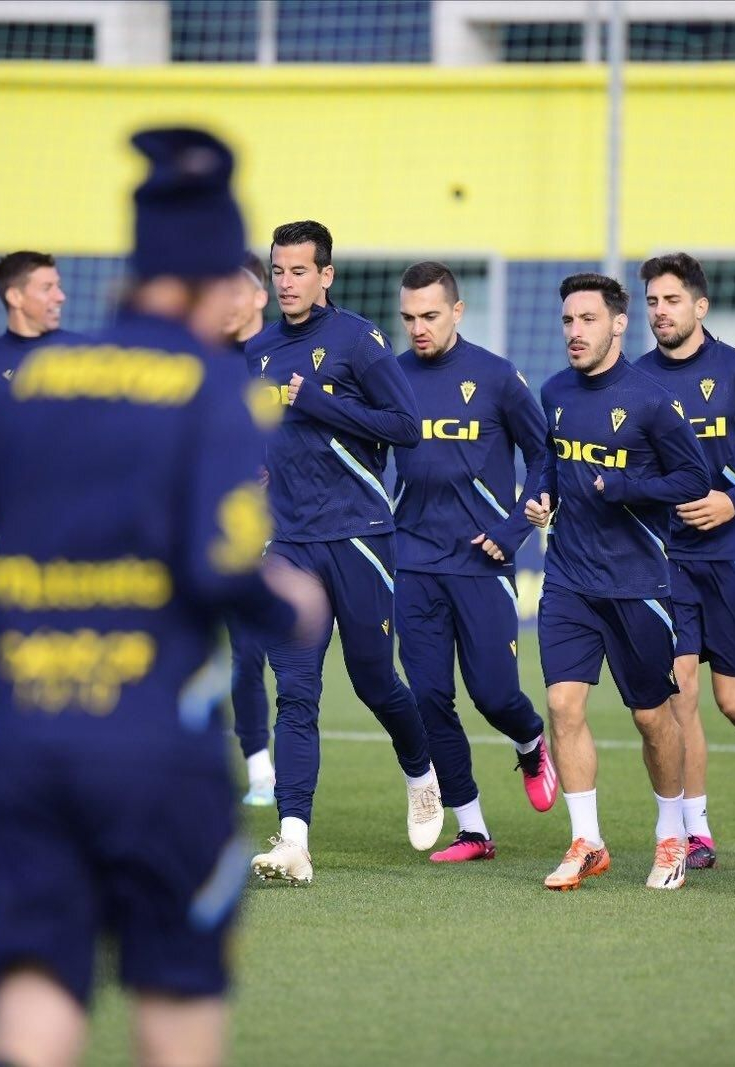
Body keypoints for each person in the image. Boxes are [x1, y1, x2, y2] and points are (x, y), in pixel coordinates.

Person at [0, 128, 327, 1067]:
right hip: (154, 759)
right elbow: (219, 564)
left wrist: (27, 588)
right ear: (213, 281)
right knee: (175, 1033)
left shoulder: (41, 375)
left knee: (32, 1030)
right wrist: (287, 603)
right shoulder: (210, 387)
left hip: (30, 749)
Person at [246, 220, 440, 886]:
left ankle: (419, 767)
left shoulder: (358, 341)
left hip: (359, 536)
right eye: (279, 271)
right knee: (295, 692)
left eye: (300, 271)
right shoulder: (260, 351)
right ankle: (293, 838)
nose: (287, 283)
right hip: (288, 544)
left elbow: (406, 428)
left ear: (326, 276)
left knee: (373, 678)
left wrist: (322, 401)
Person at [524, 273, 711, 891]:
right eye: (568, 322)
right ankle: (587, 841)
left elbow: (692, 480)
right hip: (570, 580)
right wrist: (540, 494)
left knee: (652, 719)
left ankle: (670, 839)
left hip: (638, 585)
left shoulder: (651, 400)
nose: (575, 333)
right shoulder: (554, 392)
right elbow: (546, 460)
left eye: (587, 321)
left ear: (617, 324)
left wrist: (628, 488)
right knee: (561, 704)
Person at [391, 260, 556, 863]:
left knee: (492, 693)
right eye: (408, 317)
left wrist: (513, 529)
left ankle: (531, 738)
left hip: (482, 562)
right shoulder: (390, 377)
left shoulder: (497, 377)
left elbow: (546, 458)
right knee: (429, 697)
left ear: (458, 312)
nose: (418, 327)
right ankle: (473, 829)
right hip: (412, 561)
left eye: (430, 315)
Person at [633, 253, 735, 873]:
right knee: (680, 698)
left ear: (699, 306)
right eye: (651, 301)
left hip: (730, 559)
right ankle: (697, 831)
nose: (660, 312)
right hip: (666, 558)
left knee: (733, 702)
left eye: (671, 301)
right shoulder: (636, 379)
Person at [224, 250, 277, 806]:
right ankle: (258, 763)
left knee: (271, 650)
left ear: (259, 295)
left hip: (287, 528)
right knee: (238, 653)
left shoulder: (283, 356)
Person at [0, 251, 84, 434]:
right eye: (47, 288)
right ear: (15, 297)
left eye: (58, 286)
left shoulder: (87, 353)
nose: (60, 297)